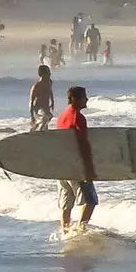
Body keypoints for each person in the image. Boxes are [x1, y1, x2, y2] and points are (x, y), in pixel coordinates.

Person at [53, 86, 98, 231]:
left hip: (61, 164)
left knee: (66, 203)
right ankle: (80, 230)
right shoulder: (77, 117)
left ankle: (64, 230)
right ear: (74, 99)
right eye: (84, 97)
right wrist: (88, 169)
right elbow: (83, 145)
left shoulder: (61, 116)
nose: (87, 99)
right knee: (90, 201)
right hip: (75, 165)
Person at [29, 64, 55, 129]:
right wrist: (32, 116)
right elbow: (31, 101)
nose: (50, 74)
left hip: (45, 106)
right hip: (38, 107)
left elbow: (50, 91)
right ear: (43, 75)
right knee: (46, 117)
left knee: (47, 119)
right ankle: (38, 130)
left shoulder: (49, 82)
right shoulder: (37, 86)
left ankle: (41, 130)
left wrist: (52, 101)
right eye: (48, 73)